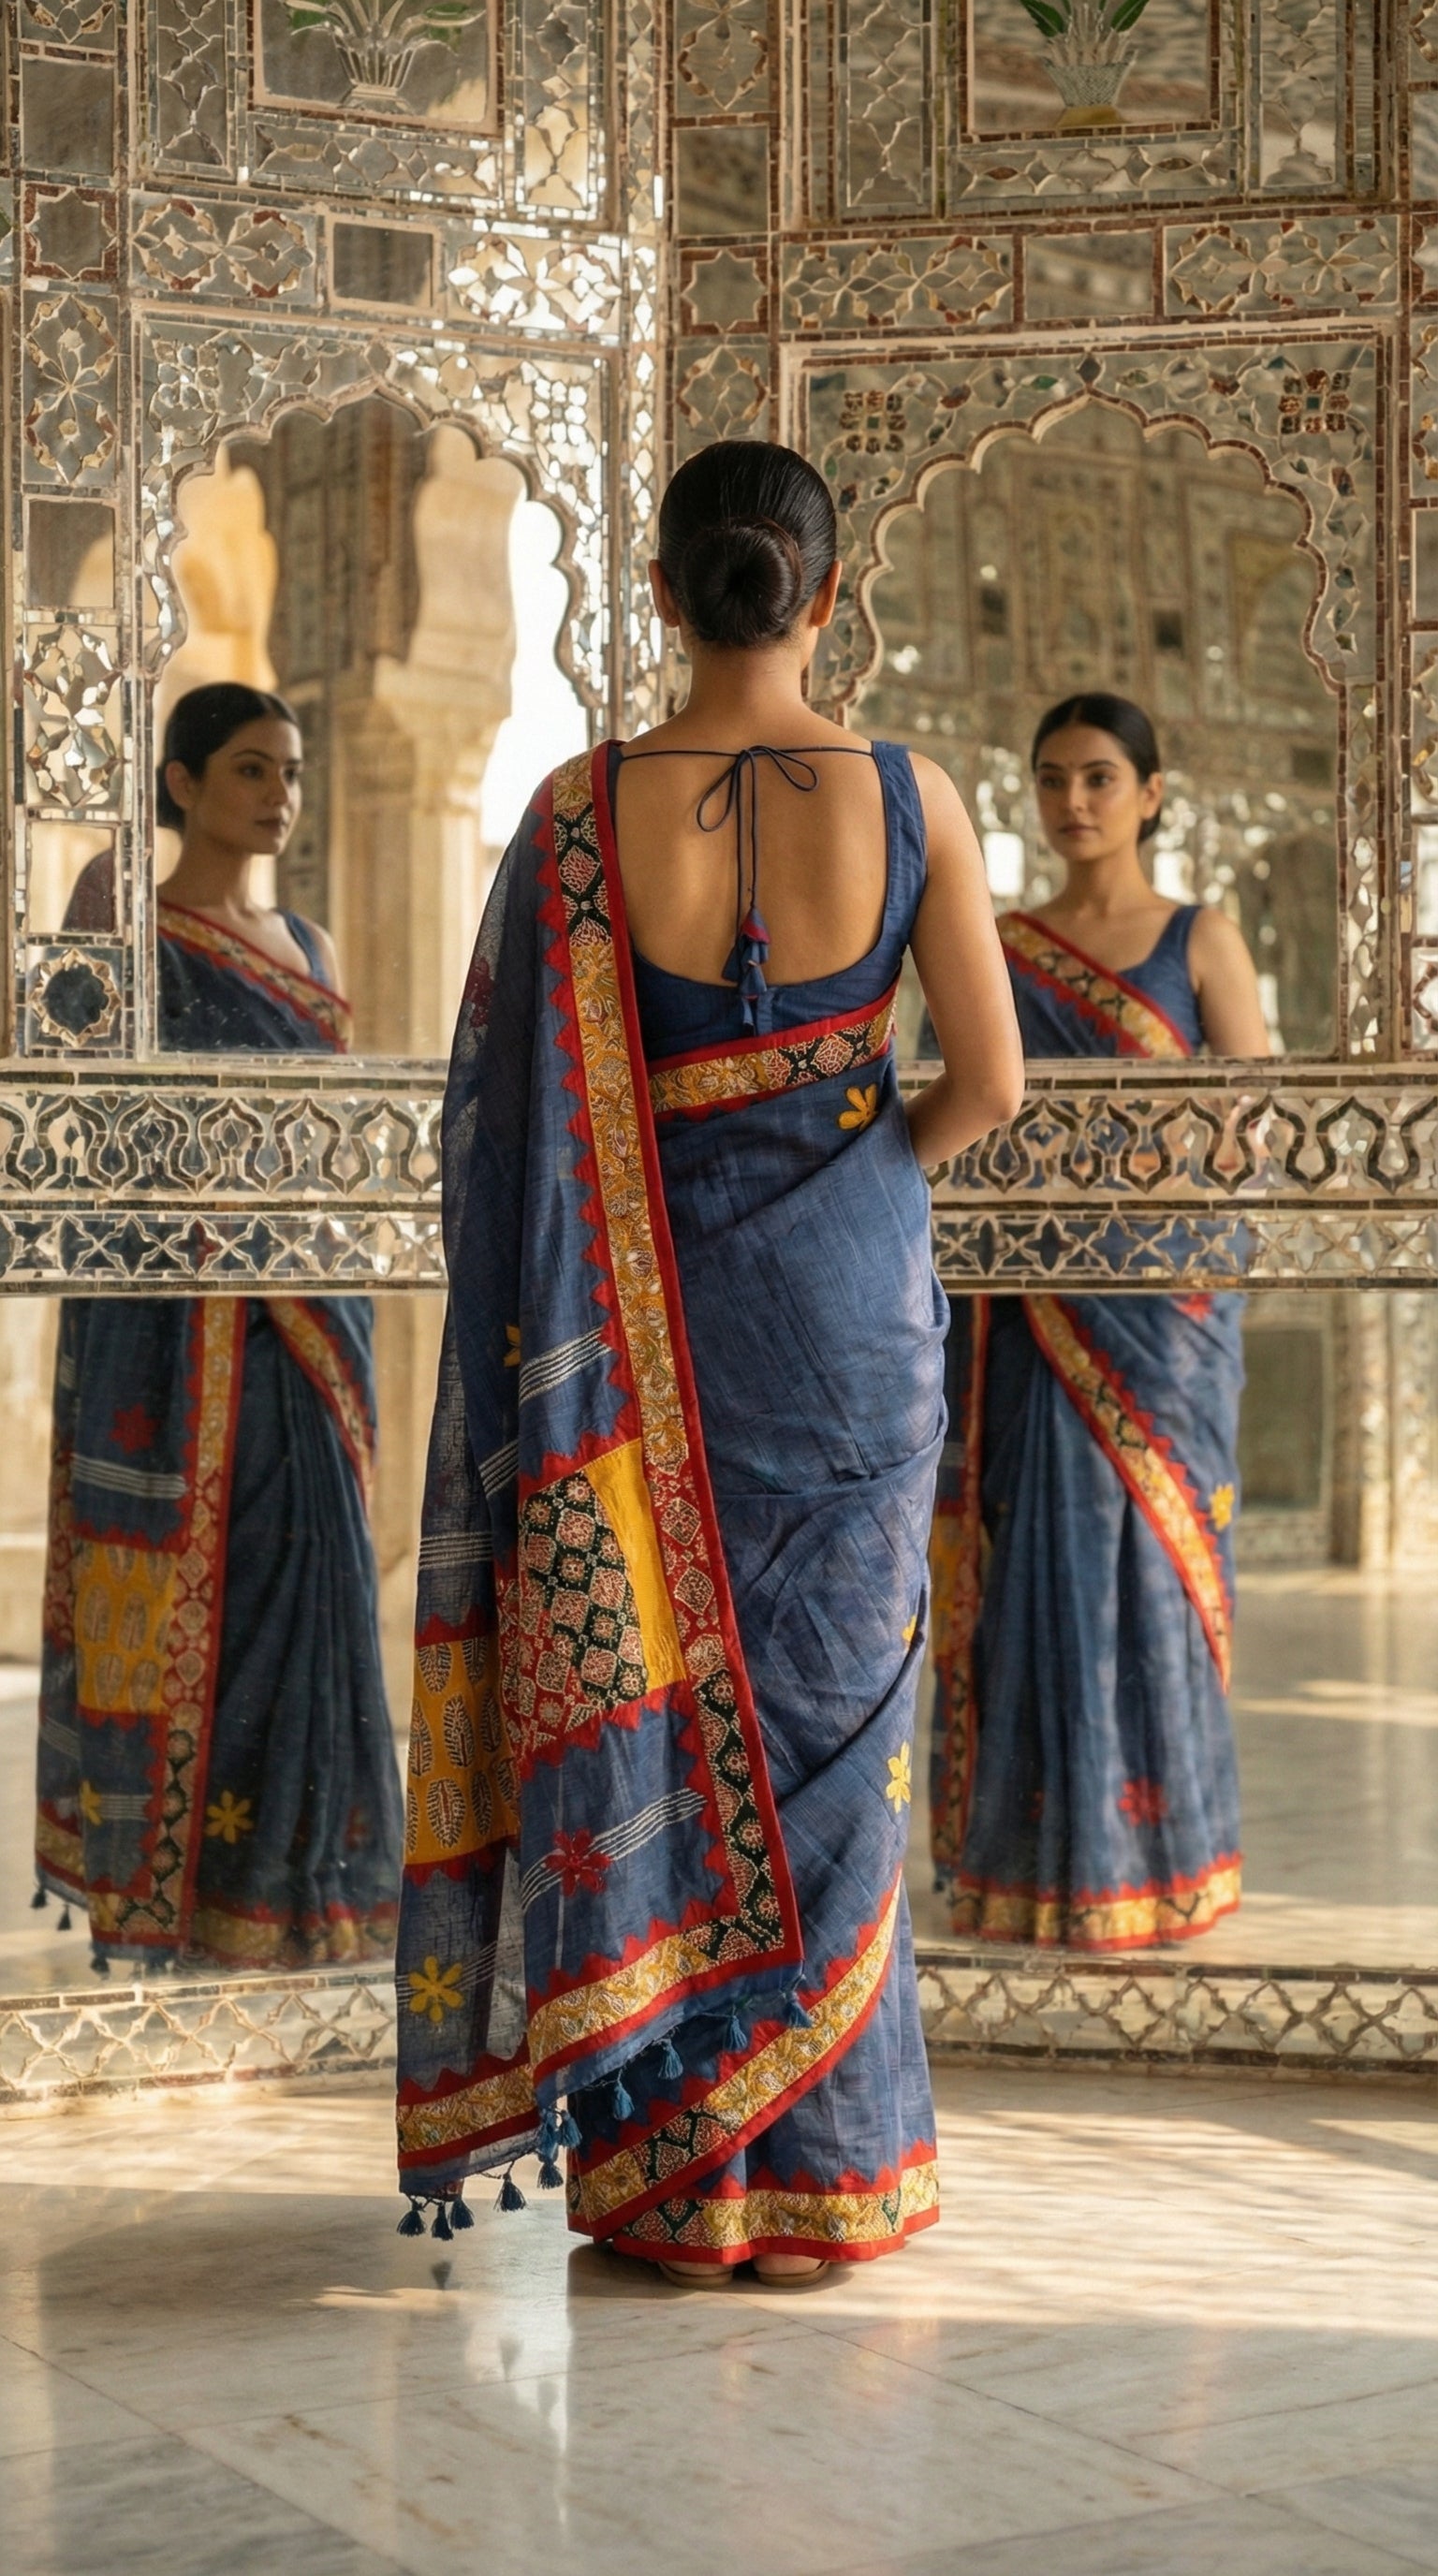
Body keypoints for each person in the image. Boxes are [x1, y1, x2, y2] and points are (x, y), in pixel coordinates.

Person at [393, 439, 1022, 2279]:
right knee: (834, 1716)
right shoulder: (915, 798)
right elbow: (984, 1086)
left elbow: (498, 1125)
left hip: (626, 1319)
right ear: (831, 594)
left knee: (660, 1703)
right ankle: (829, 2166)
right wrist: (844, 1184)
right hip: (847, 1324)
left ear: (659, 596)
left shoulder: (577, 818)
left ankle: (679, 2180)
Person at [35, 683, 404, 1972]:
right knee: (205, 1571)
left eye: (291, 771)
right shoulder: (119, 910)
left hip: (310, 1308)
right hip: (169, 1315)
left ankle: (306, 1887)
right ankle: (177, 1887)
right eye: (251, 770)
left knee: (316, 1568)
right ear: (183, 783)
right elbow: (72, 1085)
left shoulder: (310, 941)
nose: (280, 795)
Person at [930, 691, 1269, 1953]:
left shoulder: (1202, 942)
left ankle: (1164, 1859)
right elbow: (956, 1106)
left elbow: (1255, 1132)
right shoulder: (1000, 944)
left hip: (1165, 1320)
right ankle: (1033, 1861)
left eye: (1100, 779)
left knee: (1156, 1579)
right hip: (1028, 1312)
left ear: (1152, 792)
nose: (1074, 802)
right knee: (1033, 1570)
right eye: (1054, 779)